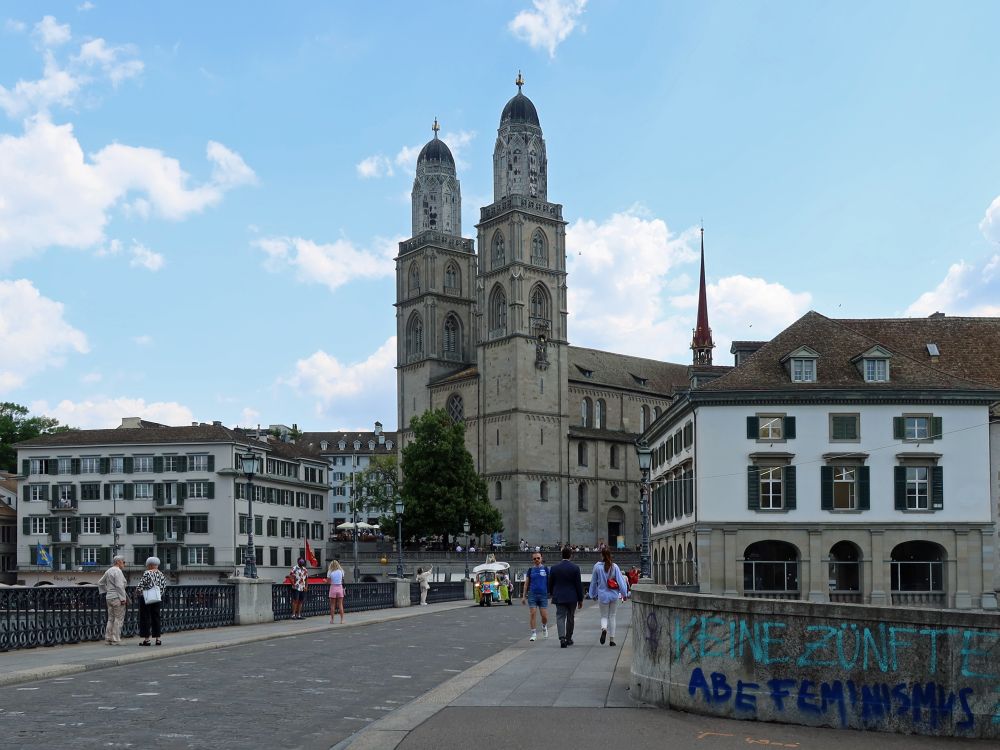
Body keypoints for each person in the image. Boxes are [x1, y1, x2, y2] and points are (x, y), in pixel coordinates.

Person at [588, 548, 629, 647]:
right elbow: (620, 581)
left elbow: (593, 582)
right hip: (614, 595)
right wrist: (624, 594)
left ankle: (604, 629)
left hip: (602, 595)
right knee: (613, 616)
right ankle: (612, 640)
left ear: (601, 555)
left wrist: (592, 594)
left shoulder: (597, 567)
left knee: (604, 616)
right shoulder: (614, 566)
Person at [548, 546, 583, 648]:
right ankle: (568, 638)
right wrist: (580, 599)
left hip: (559, 596)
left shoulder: (554, 568)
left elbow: (550, 583)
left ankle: (562, 638)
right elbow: (578, 585)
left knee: (560, 617)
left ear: (561, 555)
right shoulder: (575, 568)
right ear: (570, 555)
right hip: (572, 597)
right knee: (570, 617)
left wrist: (551, 593)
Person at [97, 554, 128, 646]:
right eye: (123, 562)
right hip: (117, 597)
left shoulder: (109, 570)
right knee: (118, 618)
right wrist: (123, 598)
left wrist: (107, 591)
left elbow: (100, 583)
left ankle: (108, 638)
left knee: (110, 618)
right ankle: (115, 639)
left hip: (109, 597)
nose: (124, 564)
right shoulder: (118, 571)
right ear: (118, 562)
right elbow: (119, 586)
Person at [137, 556, 167, 646]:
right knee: (156, 617)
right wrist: (159, 594)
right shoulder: (161, 574)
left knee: (145, 617)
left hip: (147, 598)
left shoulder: (147, 573)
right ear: (157, 565)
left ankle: (147, 640)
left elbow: (141, 585)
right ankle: (158, 639)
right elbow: (164, 586)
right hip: (157, 598)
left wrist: (138, 591)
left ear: (149, 565)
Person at [520, 551, 549, 641]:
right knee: (532, 613)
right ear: (533, 560)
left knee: (544, 616)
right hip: (532, 595)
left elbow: (551, 582)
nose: (536, 560)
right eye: (534, 558)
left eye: (538, 558)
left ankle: (544, 627)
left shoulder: (546, 569)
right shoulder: (530, 570)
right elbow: (526, 584)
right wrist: (524, 596)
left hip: (543, 595)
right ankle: (533, 633)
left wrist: (552, 593)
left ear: (541, 558)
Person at [327, 560, 346, 624]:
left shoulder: (330, 571)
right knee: (340, 605)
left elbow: (328, 582)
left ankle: (332, 620)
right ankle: (342, 620)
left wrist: (325, 581)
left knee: (332, 605)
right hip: (340, 587)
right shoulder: (341, 571)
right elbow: (342, 580)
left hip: (333, 588)